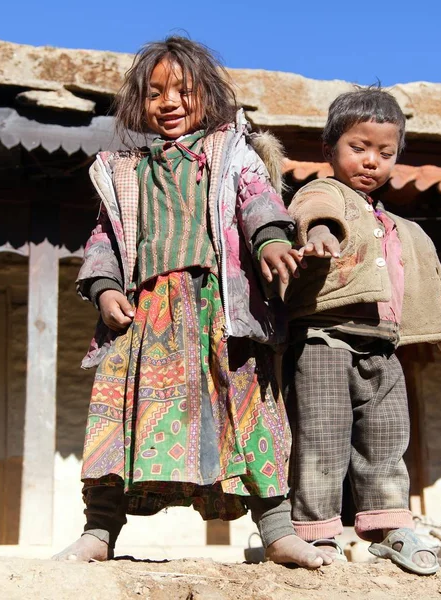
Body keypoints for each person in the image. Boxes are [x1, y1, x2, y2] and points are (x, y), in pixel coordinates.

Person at [54, 36, 332, 569]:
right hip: (144, 320)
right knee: (119, 422)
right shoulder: (122, 170)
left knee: (248, 416)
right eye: (156, 92)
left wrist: (272, 239)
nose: (170, 102)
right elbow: (105, 241)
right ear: (140, 102)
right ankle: (98, 532)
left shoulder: (231, 154)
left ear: (208, 95)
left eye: (183, 90)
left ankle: (276, 531)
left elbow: (256, 199)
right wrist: (105, 288)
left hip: (222, 314)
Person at [282, 87, 441, 575]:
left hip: (383, 347)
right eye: (358, 148)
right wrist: (320, 234)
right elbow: (312, 213)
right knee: (322, 437)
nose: (371, 161)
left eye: (385, 153)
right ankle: (317, 533)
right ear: (330, 150)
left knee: (387, 437)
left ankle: (388, 530)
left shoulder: (398, 226)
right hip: (324, 339)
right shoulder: (325, 193)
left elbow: (423, 291)